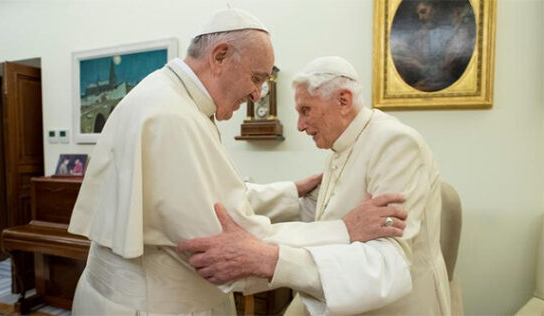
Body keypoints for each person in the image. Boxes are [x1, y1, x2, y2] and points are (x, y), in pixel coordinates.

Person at [67, 9, 407, 316]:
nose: (257, 94)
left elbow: (214, 198)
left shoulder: (167, 97)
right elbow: (232, 251)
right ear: (220, 56)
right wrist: (344, 230)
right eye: (256, 78)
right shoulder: (171, 116)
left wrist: (291, 191)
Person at [179, 56, 451, 315]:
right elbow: (323, 219)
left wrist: (271, 259)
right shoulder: (341, 147)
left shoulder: (396, 143)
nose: (299, 125)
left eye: (305, 111)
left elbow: (385, 263)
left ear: (343, 100)